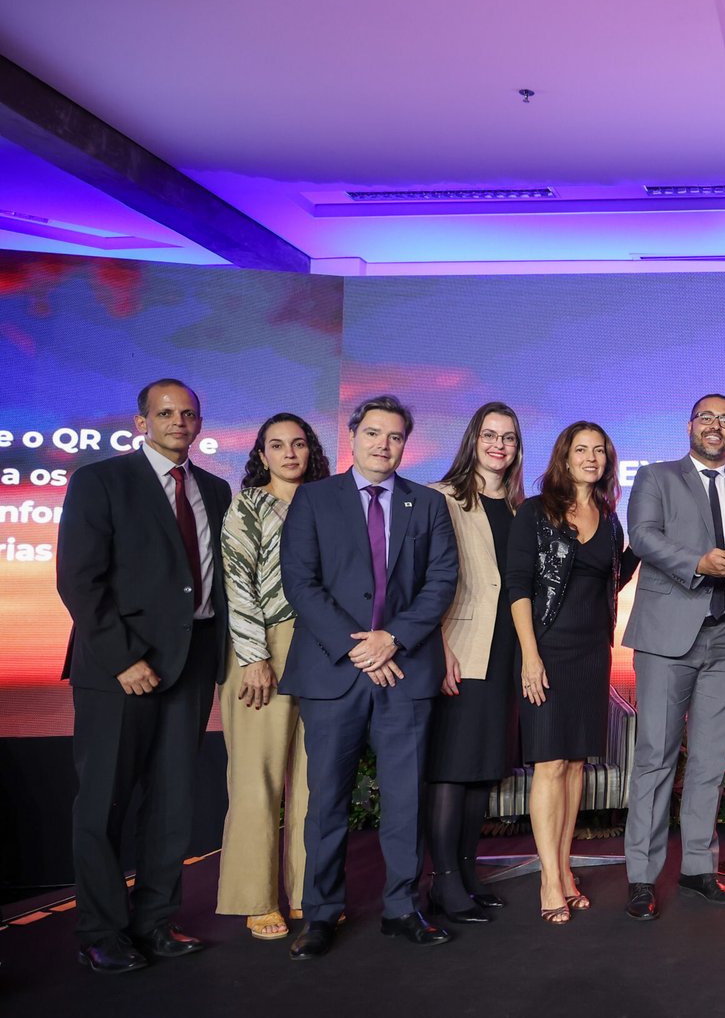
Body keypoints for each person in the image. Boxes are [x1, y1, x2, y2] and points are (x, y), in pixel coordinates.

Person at [56, 378, 231, 973]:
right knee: (102, 804)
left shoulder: (215, 489)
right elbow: (79, 580)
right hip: (120, 670)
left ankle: (155, 923)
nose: (179, 422)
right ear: (142, 422)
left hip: (192, 664)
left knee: (172, 804)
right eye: (166, 413)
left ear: (199, 423)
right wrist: (122, 658)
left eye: (189, 413)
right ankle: (101, 931)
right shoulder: (101, 481)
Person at [279, 394, 459, 960]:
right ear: (353, 436)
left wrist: (392, 639)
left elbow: (441, 582)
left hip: (405, 669)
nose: (384, 444)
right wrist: (358, 647)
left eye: (395, 436)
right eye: (374, 433)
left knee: (405, 799)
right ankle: (320, 913)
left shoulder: (427, 504)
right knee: (326, 799)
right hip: (334, 671)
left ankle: (402, 908)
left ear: (406, 445)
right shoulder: (314, 499)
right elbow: (300, 581)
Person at [621, 394, 725, 921]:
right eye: (707, 418)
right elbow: (642, 537)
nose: (715, 426)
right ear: (690, 426)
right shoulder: (656, 477)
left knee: (710, 761)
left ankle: (698, 869)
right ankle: (642, 877)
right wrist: (698, 563)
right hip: (667, 638)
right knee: (655, 757)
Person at [507, 421, 637, 924]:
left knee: (577, 764)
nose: (590, 458)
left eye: (599, 450)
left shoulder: (610, 519)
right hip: (546, 649)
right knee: (549, 764)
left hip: (592, 653)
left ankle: (563, 869)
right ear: (563, 457)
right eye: (581, 449)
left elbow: (609, 581)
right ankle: (548, 879)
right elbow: (518, 586)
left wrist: (651, 540)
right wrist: (530, 655)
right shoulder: (535, 512)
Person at [216, 412, 331, 941]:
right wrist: (254, 656)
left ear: (311, 451)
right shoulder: (247, 505)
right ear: (261, 454)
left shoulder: (326, 503)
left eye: (298, 444)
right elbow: (237, 583)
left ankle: (310, 893)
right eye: (277, 445)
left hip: (322, 645)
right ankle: (256, 898)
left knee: (314, 779)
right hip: (263, 645)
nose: (289, 453)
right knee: (256, 778)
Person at [423, 403, 526, 925]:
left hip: (504, 651)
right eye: (490, 435)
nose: (498, 445)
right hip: (459, 648)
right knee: (451, 767)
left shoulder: (520, 507)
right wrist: (438, 647)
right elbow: (423, 580)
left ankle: (465, 874)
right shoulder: (440, 498)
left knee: (481, 769)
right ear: (473, 439)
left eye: (508, 438)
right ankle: (442, 881)